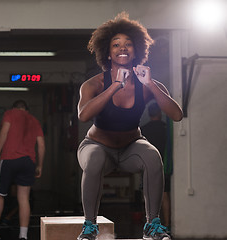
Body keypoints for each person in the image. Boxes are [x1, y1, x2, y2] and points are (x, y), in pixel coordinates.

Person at [76, 12, 183, 240]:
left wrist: (151, 84)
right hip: (96, 145)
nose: (122, 48)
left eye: (128, 44)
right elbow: (83, 116)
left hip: (131, 147)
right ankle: (89, 227)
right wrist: (114, 86)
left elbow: (177, 114)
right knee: (94, 159)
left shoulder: (146, 83)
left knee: (153, 156)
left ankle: (152, 225)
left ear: (137, 50)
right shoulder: (93, 84)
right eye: (116, 44)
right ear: (108, 51)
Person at [0, 100, 45, 240]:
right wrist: (40, 165)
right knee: (24, 198)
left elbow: (4, 132)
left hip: (9, 159)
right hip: (28, 161)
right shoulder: (34, 120)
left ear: (14, 108)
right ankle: (23, 236)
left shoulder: (10, 114)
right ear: (27, 109)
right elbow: (41, 145)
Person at [141, 102, 171, 233]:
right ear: (159, 113)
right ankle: (167, 225)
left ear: (149, 114)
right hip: (163, 165)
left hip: (147, 165)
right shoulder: (166, 129)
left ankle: (150, 223)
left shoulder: (143, 129)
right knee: (164, 195)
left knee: (148, 195)